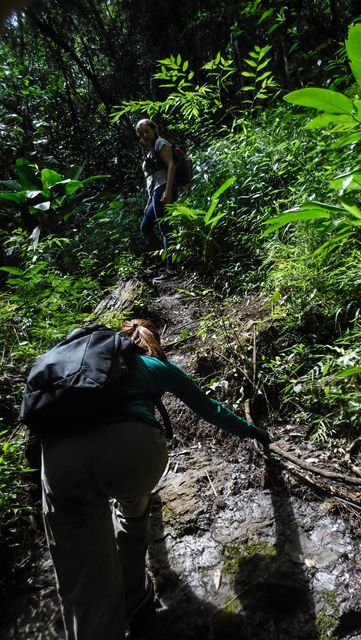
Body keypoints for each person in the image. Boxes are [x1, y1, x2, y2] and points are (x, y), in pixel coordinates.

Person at [41, 318, 270, 640]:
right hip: (131, 453)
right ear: (152, 343)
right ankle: (133, 595)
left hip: (61, 458)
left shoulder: (68, 369)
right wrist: (254, 432)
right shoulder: (152, 364)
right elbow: (210, 409)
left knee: (78, 566)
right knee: (132, 508)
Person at [136, 119, 177, 279]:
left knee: (165, 227)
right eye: (141, 133)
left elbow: (171, 165)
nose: (144, 135)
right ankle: (162, 260)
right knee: (145, 227)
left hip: (164, 188)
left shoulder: (160, 143)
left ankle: (171, 268)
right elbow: (150, 180)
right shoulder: (149, 150)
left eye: (146, 131)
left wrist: (168, 191)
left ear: (154, 129)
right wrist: (148, 203)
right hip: (155, 191)